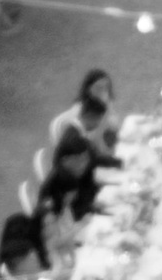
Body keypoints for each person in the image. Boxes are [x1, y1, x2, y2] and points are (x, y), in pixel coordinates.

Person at [36, 68, 121, 234]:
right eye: (98, 87)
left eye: (106, 87)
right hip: (73, 222)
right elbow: (66, 210)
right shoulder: (73, 148)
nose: (103, 92)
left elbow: (95, 157)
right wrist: (91, 209)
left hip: (83, 204)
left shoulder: (78, 142)